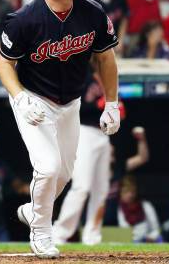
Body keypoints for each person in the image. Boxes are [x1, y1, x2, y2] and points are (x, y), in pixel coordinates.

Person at [0, 0, 119, 258]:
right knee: (48, 169)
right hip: (34, 100)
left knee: (63, 175)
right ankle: (40, 233)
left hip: (71, 102)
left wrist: (112, 103)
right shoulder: (24, 20)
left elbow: (106, 58)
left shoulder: (91, 12)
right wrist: (20, 96)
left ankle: (33, 211)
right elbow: (4, 63)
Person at [53, 72, 129, 245]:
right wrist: (98, 105)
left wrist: (114, 108)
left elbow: (120, 113)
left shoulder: (111, 83)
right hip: (84, 132)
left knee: (101, 189)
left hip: (104, 136)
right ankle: (60, 233)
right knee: (82, 186)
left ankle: (92, 236)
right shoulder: (84, 77)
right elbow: (70, 106)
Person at [117, 175, 161, 243]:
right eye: (126, 191)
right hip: (124, 243)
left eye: (132, 191)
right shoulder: (116, 209)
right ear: (120, 192)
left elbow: (156, 230)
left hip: (146, 243)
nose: (130, 195)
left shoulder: (146, 205)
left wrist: (151, 237)